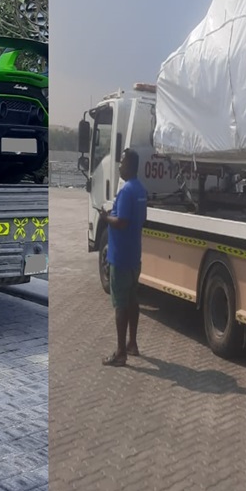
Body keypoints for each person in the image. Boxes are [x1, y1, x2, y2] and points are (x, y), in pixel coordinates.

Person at [99, 148, 148, 367]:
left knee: (120, 304)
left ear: (129, 165)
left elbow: (121, 222)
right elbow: (140, 219)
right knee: (132, 300)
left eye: (121, 162)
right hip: (134, 256)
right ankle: (132, 344)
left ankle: (120, 353)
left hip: (120, 257)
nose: (119, 165)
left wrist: (106, 217)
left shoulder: (127, 190)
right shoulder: (140, 190)